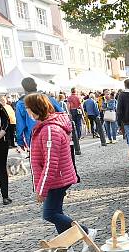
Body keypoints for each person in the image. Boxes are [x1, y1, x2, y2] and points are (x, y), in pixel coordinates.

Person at [25, 93, 87, 240]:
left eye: (27, 108)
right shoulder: (45, 126)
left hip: (58, 179)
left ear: (34, 108)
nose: (26, 110)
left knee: (50, 214)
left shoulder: (49, 129)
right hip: (57, 178)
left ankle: (86, 232)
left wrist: (41, 190)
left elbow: (50, 163)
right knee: (56, 211)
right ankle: (66, 243)